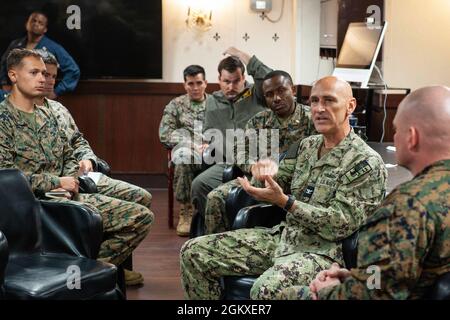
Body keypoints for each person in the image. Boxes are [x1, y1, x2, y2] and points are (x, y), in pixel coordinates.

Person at [180, 76, 387, 299]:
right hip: (282, 238)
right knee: (193, 252)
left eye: (329, 101)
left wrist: (286, 202)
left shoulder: (365, 162)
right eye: (314, 101)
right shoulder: (308, 145)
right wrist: (265, 172)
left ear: (350, 106)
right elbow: (279, 181)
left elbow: (338, 224)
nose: (319, 108)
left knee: (264, 291)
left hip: (322, 254)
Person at [0, 49, 152, 284]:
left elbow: (70, 151)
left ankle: (84, 273)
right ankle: (89, 276)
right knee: (140, 217)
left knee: (142, 210)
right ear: (13, 75)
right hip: (35, 202)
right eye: (35, 73)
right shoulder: (3, 120)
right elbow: (7, 179)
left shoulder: (47, 114)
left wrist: (71, 180)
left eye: (45, 73)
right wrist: (57, 183)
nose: (43, 78)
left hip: (67, 191)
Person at [285, 85, 450, 300]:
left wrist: (328, 290)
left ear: (412, 137)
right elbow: (386, 276)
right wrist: (357, 276)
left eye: (396, 129)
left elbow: (372, 295)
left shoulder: (404, 208)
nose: (395, 135)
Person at [204, 70, 316, 234]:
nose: (276, 98)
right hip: (260, 180)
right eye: (269, 94)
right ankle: (216, 249)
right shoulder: (259, 121)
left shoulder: (312, 119)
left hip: (298, 183)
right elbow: (239, 150)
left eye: (281, 91)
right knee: (215, 198)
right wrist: (253, 166)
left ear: (292, 90)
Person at [190, 47, 271, 232]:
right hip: (227, 164)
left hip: (257, 164)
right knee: (199, 185)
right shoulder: (213, 101)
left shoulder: (257, 95)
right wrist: (206, 144)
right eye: (226, 81)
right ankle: (221, 231)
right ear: (219, 80)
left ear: (244, 79)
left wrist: (243, 56)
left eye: (236, 81)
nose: (231, 87)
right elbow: (209, 130)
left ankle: (243, 228)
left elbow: (270, 77)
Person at [158, 65, 208, 236]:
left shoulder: (216, 104)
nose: (195, 88)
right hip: (188, 151)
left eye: (199, 83)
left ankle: (215, 211)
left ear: (206, 83)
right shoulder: (176, 105)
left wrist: (212, 144)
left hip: (212, 150)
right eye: (191, 83)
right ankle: (186, 210)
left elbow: (224, 128)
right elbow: (165, 134)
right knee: (184, 159)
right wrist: (190, 144)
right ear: (184, 85)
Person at [0, 11, 80, 99]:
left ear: (45, 29)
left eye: (40, 23)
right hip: (15, 94)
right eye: (33, 21)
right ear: (27, 24)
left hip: (38, 98)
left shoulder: (53, 47)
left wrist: (56, 92)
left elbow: (73, 70)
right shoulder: (16, 44)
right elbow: (3, 64)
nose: (36, 24)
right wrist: (4, 83)